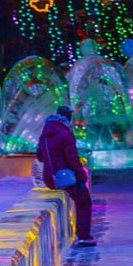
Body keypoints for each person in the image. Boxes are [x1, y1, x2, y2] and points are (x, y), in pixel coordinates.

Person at [37, 105, 96, 248]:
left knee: (79, 198)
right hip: (65, 177)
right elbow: (72, 158)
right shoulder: (65, 134)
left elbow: (40, 156)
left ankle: (81, 234)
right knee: (84, 201)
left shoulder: (45, 134)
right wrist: (82, 176)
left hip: (51, 177)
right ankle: (83, 236)